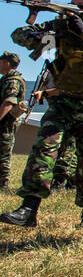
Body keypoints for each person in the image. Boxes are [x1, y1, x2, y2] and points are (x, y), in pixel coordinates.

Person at [1, 0, 83, 229]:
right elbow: (21, 37)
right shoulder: (63, 25)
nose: (74, 12)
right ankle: (29, 207)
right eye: (72, 6)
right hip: (65, 98)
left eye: (80, 8)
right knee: (44, 148)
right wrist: (34, 17)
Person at [0, 52, 26, 191]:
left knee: (3, 151)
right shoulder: (6, 79)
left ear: (7, 63)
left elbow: (9, 102)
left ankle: (2, 184)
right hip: (4, 122)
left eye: (1, 61)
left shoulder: (12, 80)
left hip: (6, 123)